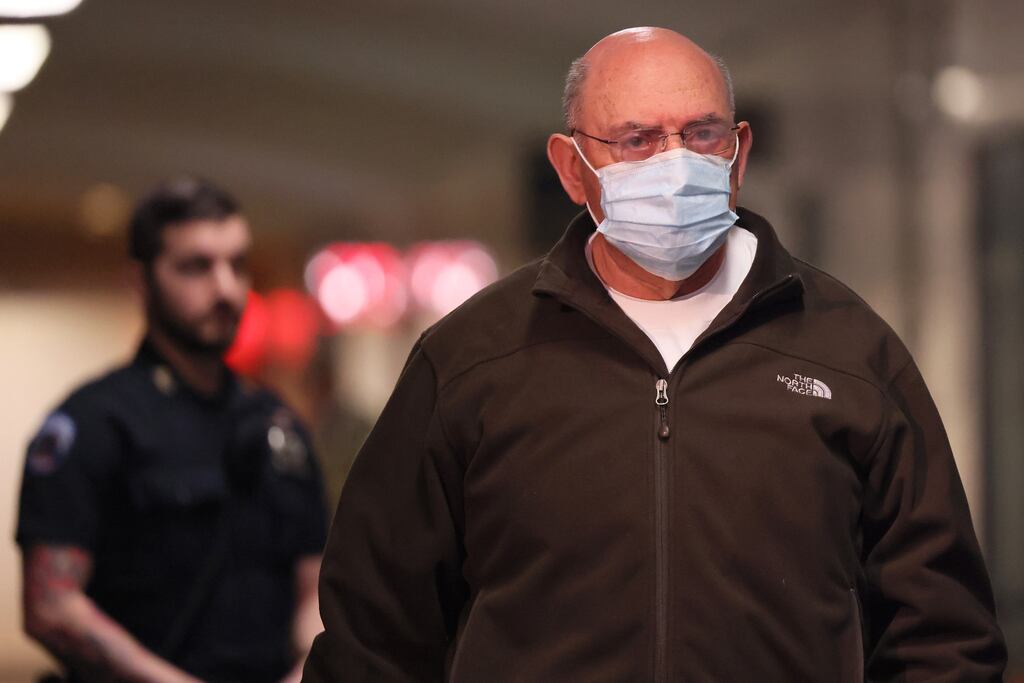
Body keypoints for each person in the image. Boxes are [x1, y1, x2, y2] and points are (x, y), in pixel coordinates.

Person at [301, 27, 1006, 682]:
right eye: (636, 139)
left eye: (702, 133)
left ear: (738, 153)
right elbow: (374, 638)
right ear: (571, 168)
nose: (676, 164)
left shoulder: (846, 351)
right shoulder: (474, 360)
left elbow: (942, 633)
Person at [17, 177, 328, 683]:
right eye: (196, 267)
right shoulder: (94, 422)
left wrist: (306, 672)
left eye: (237, 264)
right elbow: (51, 606)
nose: (226, 289)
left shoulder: (278, 424)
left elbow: (313, 588)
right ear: (140, 282)